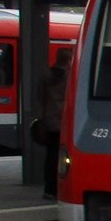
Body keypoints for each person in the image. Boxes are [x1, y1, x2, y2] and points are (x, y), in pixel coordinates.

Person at [37, 46, 72, 200]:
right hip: (64, 122)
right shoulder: (69, 76)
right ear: (68, 60)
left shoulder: (45, 75)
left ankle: (49, 189)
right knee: (65, 157)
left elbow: (40, 97)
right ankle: (61, 188)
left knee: (50, 156)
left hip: (49, 121)